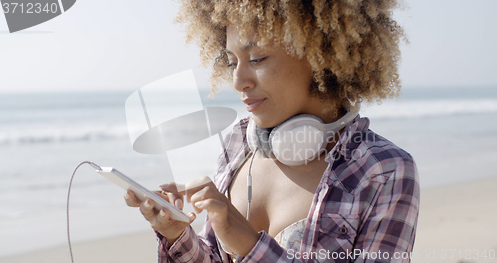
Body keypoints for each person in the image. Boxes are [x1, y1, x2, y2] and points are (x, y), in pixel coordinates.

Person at [125, 0, 420, 262]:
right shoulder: (238, 144)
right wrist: (178, 236)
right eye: (231, 62)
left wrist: (250, 246)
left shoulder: (384, 171)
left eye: (257, 59)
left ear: (320, 51)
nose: (238, 81)